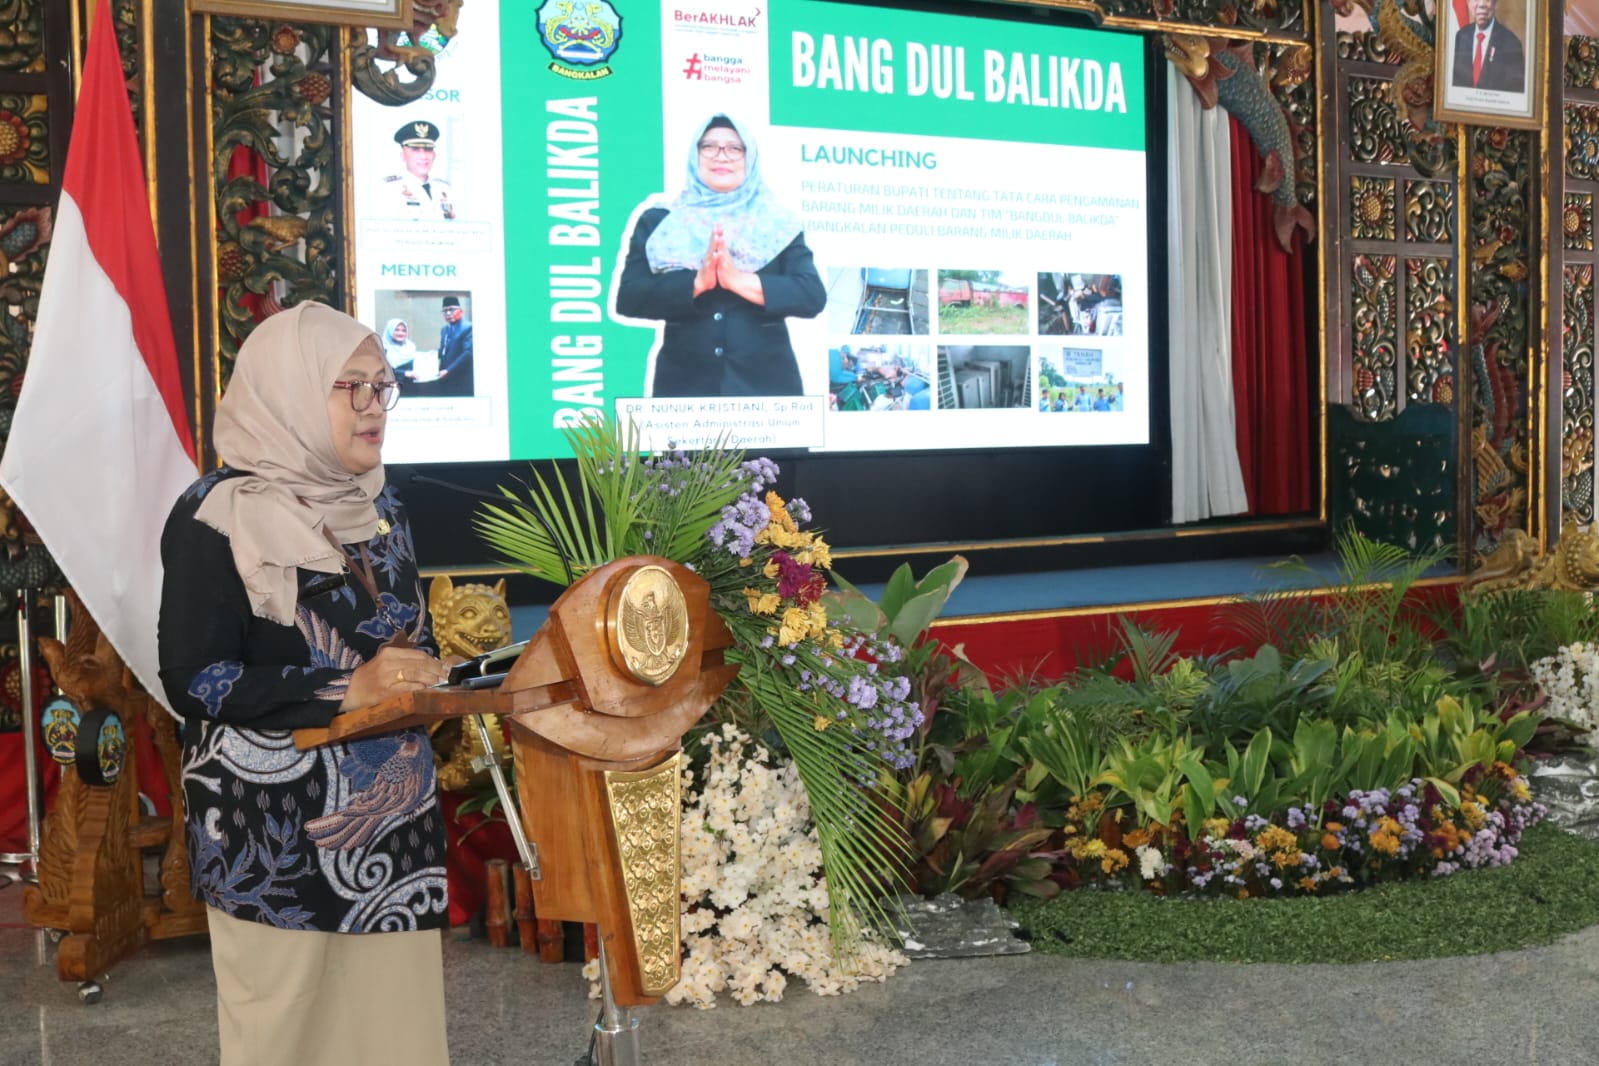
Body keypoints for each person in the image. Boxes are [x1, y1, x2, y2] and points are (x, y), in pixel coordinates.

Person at [158, 302, 452, 1066]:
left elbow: (398, 633)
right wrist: (345, 689)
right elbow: (195, 679)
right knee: (282, 1040)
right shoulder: (215, 513)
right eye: (349, 386)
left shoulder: (382, 505)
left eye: (382, 387)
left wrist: (429, 674)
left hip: (389, 830)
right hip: (270, 838)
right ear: (287, 391)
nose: (372, 406)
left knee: (395, 1040)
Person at [615, 113, 825, 397]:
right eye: (709, 147)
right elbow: (629, 298)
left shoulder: (778, 223)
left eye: (735, 148)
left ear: (750, 158)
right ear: (695, 154)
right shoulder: (660, 221)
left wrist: (738, 280)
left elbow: (811, 295)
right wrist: (697, 283)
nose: (721, 156)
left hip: (767, 393)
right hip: (684, 389)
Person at [379, 120, 457, 220]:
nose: (423, 156)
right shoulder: (390, 189)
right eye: (415, 149)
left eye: (428, 149)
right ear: (403, 155)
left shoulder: (445, 189)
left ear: (434, 155)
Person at [1452, 0, 1524, 93]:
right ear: (1468, 4)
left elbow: (1514, 91)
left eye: (1487, 0)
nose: (1482, 5)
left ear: (1495, 5)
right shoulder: (1461, 36)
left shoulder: (1511, 43)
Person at [433, 295, 474, 396]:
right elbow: (444, 351)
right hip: (444, 378)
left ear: (460, 311)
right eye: (445, 310)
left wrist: (448, 370)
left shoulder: (468, 327)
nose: (448, 313)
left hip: (461, 378)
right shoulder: (444, 330)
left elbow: (468, 353)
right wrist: (428, 356)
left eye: (451, 310)